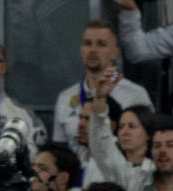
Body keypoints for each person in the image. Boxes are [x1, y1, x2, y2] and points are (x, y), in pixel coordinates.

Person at [52, 19, 152, 154]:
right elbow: (59, 153)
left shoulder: (135, 95)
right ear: (81, 51)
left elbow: (147, 146)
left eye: (101, 44)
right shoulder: (65, 97)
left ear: (115, 52)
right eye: (87, 44)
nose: (93, 50)